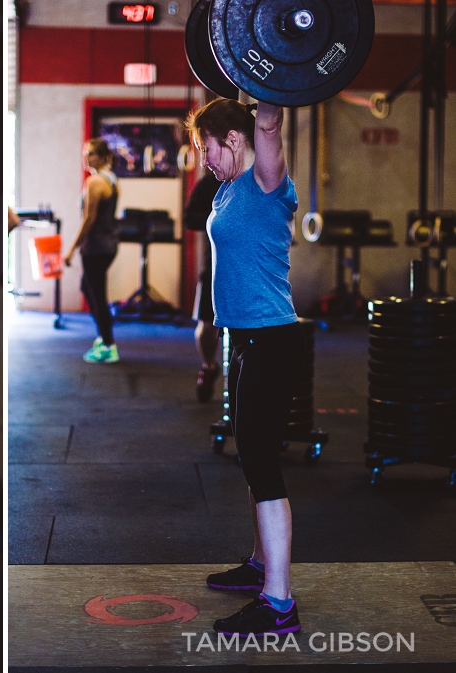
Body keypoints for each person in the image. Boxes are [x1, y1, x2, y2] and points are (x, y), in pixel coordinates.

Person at [184, 98, 306, 637]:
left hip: (273, 339)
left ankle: (279, 603)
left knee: (262, 462)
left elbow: (270, 122)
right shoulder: (230, 187)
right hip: (244, 338)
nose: (203, 160)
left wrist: (265, 73)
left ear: (232, 140)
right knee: (250, 453)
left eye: (206, 148)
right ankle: (259, 565)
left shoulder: (265, 178)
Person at [64, 138, 120, 363]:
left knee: (96, 295)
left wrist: (70, 250)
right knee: (88, 289)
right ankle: (103, 336)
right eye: (85, 154)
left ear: (103, 157)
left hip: (96, 247)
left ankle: (108, 345)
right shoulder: (112, 180)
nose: (86, 158)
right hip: (107, 245)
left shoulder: (95, 182)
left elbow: (89, 220)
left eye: (92, 155)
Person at [183, 173, 222, 402]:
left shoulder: (256, 177)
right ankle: (208, 366)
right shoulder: (211, 181)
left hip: (250, 266)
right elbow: (190, 218)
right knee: (206, 327)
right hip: (215, 264)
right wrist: (219, 216)